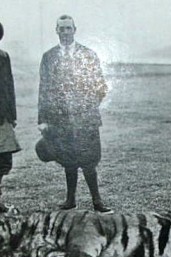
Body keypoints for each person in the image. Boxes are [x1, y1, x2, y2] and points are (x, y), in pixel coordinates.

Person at [35, 15, 113, 213]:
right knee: (68, 160)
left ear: (75, 29)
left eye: (69, 28)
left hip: (85, 119)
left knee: (89, 160)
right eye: (62, 29)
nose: (66, 33)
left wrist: (88, 107)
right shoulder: (49, 57)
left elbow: (101, 86)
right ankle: (70, 200)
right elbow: (44, 89)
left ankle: (97, 201)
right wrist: (43, 119)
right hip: (60, 120)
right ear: (57, 31)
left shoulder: (88, 54)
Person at [0, 22, 21, 212]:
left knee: (4, 160)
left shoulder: (3, 57)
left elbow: (9, 87)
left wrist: (12, 115)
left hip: (2, 118)